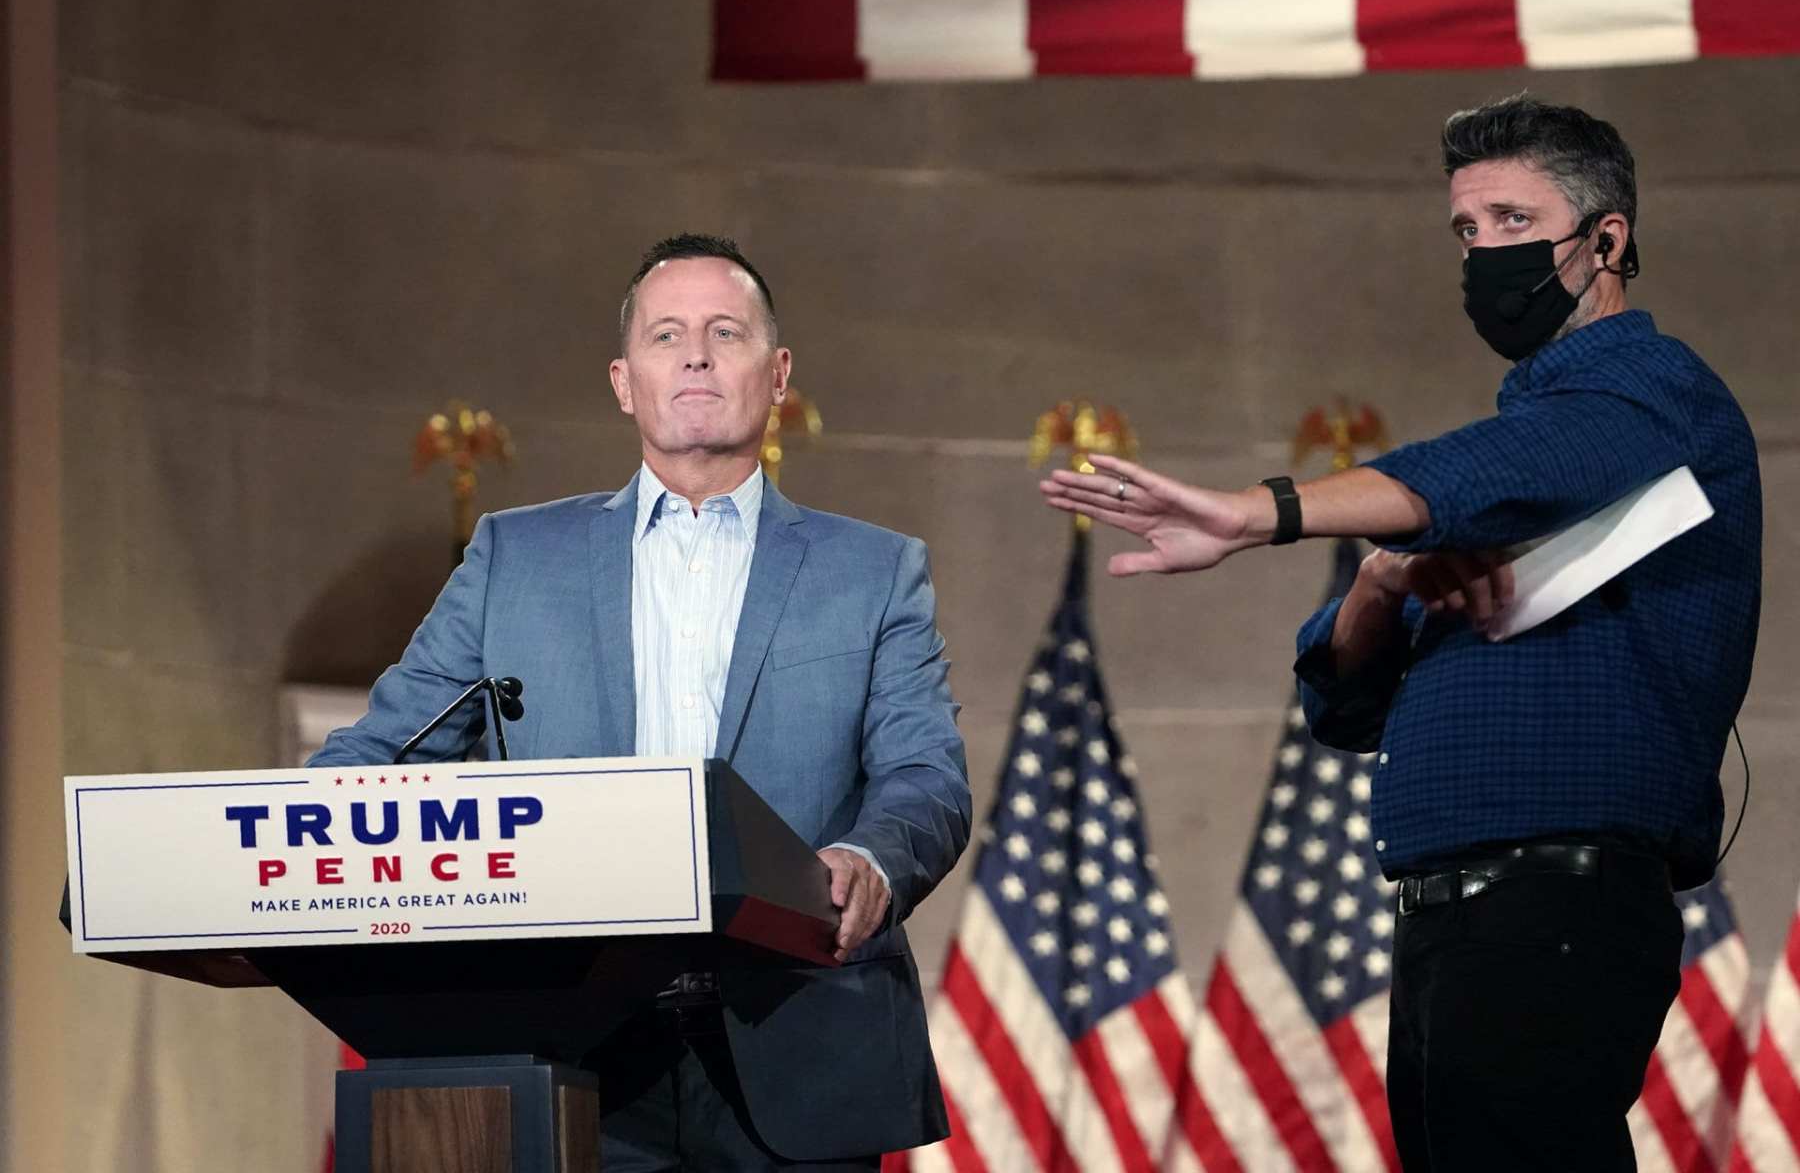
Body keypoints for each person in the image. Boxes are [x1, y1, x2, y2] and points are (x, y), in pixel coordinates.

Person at [1040, 95, 1761, 1171]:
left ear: (1606, 239)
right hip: (1454, 916)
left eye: (1513, 222)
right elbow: (1345, 701)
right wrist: (1381, 580)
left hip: (1555, 904)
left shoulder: (1649, 399)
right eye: (1465, 231)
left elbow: (1491, 473)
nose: (1482, 255)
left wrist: (1257, 512)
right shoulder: (1509, 479)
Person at [310, 233, 972, 1170]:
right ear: (625, 382)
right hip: (568, 1050)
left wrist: (870, 856)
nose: (695, 353)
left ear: (777, 373)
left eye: (724, 332)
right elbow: (382, 751)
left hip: (799, 1042)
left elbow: (926, 775)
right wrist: (284, 835)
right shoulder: (513, 559)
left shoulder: (875, 571)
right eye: (667, 334)